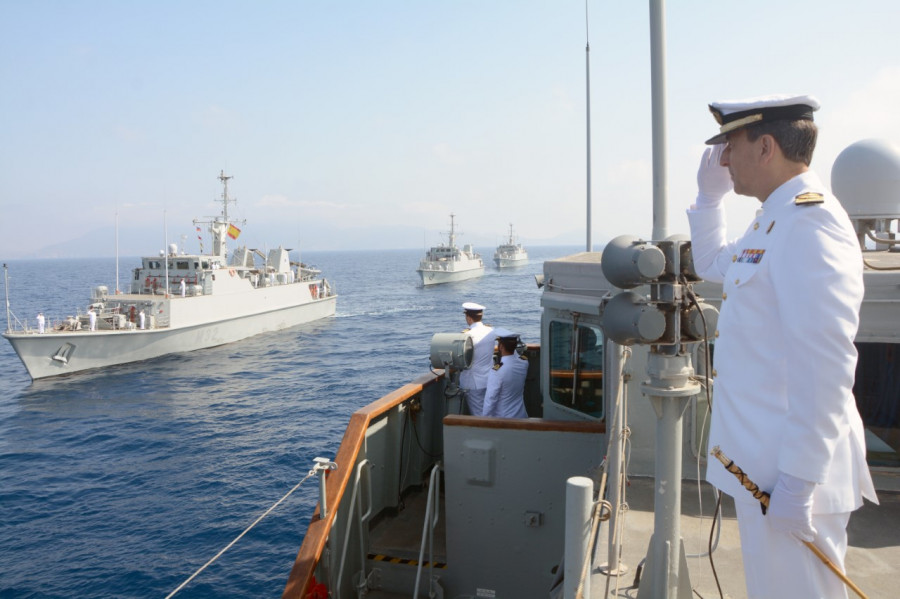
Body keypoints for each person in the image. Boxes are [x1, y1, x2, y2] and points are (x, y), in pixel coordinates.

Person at [687, 94, 878, 598]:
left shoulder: (810, 223)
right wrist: (708, 202)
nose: (723, 161)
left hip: (791, 479)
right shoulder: (773, 218)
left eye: (730, 146)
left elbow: (828, 366)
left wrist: (800, 480)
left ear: (765, 146)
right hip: (763, 471)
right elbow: (713, 265)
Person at [458, 302, 496, 416]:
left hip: (473, 383)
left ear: (469, 318)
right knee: (489, 411)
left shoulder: (468, 336)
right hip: (489, 379)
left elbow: (461, 357)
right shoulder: (491, 331)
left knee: (479, 415)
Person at [482, 328, 528, 418]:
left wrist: (484, 420)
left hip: (504, 419)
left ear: (501, 347)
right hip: (521, 416)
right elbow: (515, 355)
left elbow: (490, 399)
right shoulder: (524, 363)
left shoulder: (497, 371)